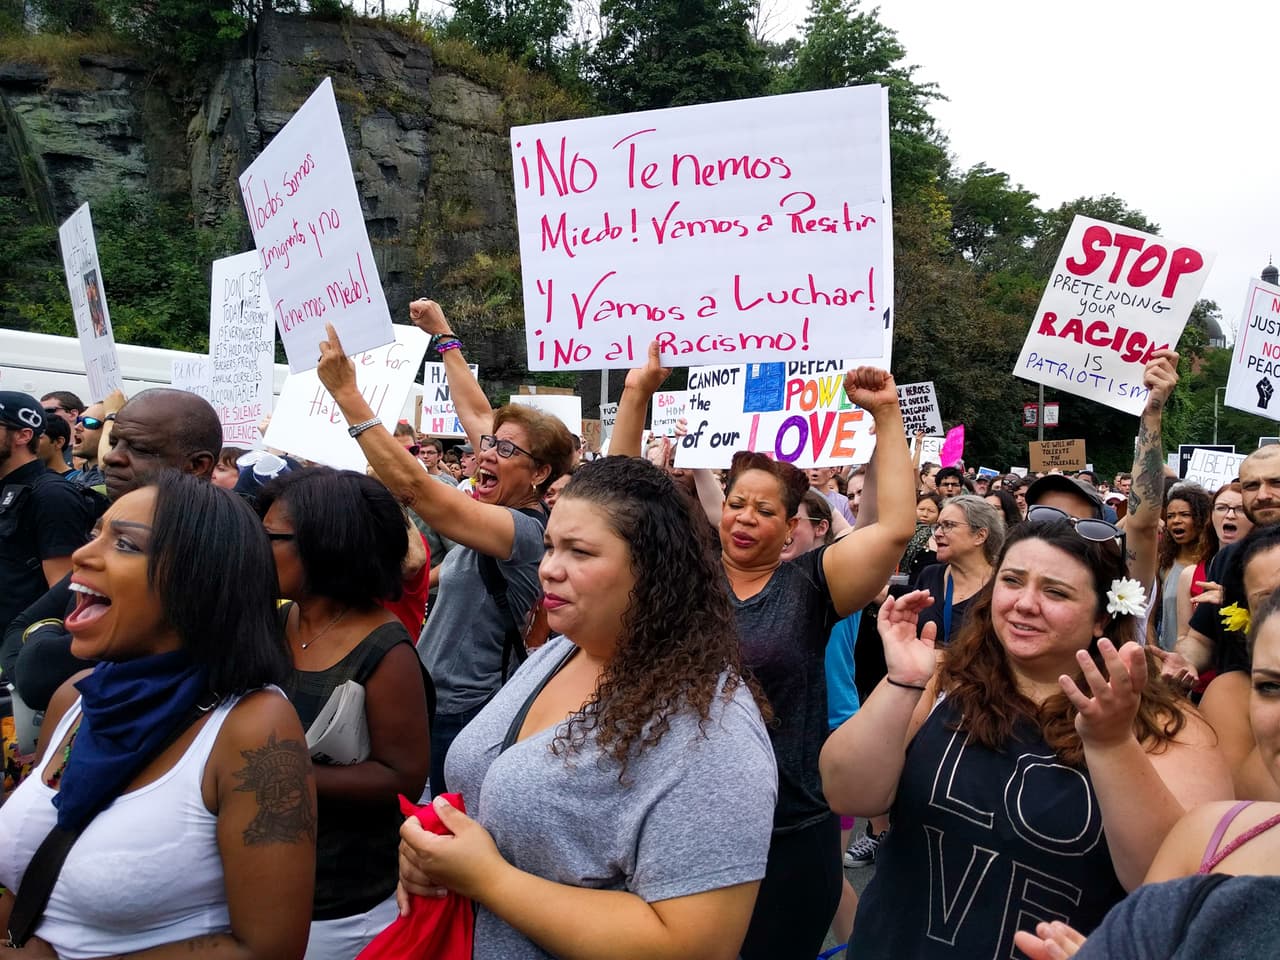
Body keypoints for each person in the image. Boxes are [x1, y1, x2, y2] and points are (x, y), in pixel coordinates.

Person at [395, 456, 776, 959]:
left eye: (579, 551)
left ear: (653, 568)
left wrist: (489, 879)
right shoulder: (561, 649)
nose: (549, 568)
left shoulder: (711, 730)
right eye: (550, 546)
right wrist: (435, 857)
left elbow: (698, 944)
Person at [613, 344, 916, 960]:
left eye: (765, 509)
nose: (745, 518)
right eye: (736, 503)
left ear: (791, 527)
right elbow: (614, 506)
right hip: (679, 817)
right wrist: (636, 393)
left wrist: (887, 415)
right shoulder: (685, 575)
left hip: (788, 828)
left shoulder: (811, 585)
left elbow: (895, 530)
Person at [821, 516, 1230, 959]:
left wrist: (1113, 745)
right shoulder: (940, 679)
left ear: (1100, 618)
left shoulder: (1165, 724)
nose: (1025, 603)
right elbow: (847, 794)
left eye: (1056, 592)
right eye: (1012, 581)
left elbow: (1175, 888)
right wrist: (902, 682)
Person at [0, 471, 316, 959]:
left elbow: (268, 949)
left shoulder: (254, 727)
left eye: (125, 545)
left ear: (199, 581)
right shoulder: (76, 699)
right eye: (95, 534)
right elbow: (33, 879)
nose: (83, 555)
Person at [314, 307, 575, 798]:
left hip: (462, 713)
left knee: (436, 823)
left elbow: (418, 490)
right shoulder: (503, 490)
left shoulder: (523, 531)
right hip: (433, 699)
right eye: (489, 444)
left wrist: (348, 395)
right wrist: (445, 337)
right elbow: (476, 414)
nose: (486, 453)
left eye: (504, 450)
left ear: (540, 473)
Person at [1016, 584, 1280, 960]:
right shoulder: (1209, 834)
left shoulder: (1176, 726)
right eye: (1270, 686)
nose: (1026, 604)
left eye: (1056, 592)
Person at [257, 467, 430, 960]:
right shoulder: (276, 620)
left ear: (326, 544)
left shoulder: (386, 651)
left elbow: (403, 775)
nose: (257, 549)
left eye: (272, 538)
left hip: (339, 907)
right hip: (262, 880)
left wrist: (277, 775)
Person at [1, 389, 224, 714]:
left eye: (140, 448)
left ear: (197, 465)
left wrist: (43, 634)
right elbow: (17, 631)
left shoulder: (209, 551)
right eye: (115, 442)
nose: (111, 457)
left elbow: (38, 675)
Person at [0, 393, 95, 642]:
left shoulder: (52, 495)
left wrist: (21, 651)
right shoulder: (7, 488)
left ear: (23, 435)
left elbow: (63, 594)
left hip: (17, 646)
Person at [911, 494, 1005, 646]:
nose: (937, 534)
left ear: (980, 536)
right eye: (938, 526)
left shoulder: (1001, 587)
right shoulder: (930, 575)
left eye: (948, 525)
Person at [1158, 485, 1213, 651]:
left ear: (1202, 518)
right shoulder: (1164, 562)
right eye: (1170, 516)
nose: (1176, 520)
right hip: (1167, 656)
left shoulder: (1214, 564)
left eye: (1185, 514)